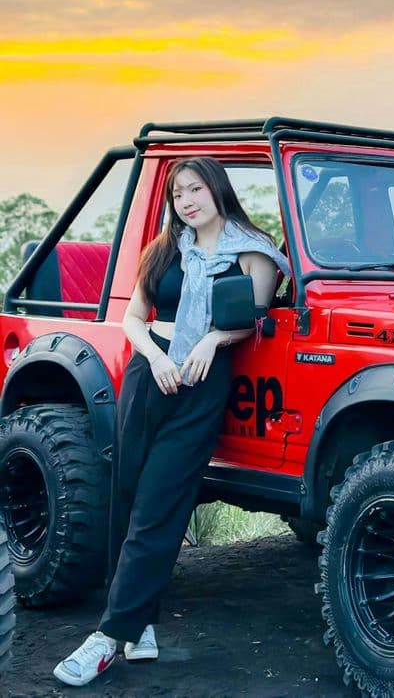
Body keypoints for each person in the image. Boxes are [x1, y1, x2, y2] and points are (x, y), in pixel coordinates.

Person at [53, 158, 289, 686]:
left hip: (201, 388)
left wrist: (211, 339)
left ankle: (108, 637)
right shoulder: (164, 250)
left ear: (217, 189)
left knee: (159, 508)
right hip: (148, 375)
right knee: (128, 498)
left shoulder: (253, 253)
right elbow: (134, 318)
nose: (186, 200)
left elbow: (253, 318)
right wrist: (155, 358)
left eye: (196, 188)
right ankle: (141, 626)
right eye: (178, 192)